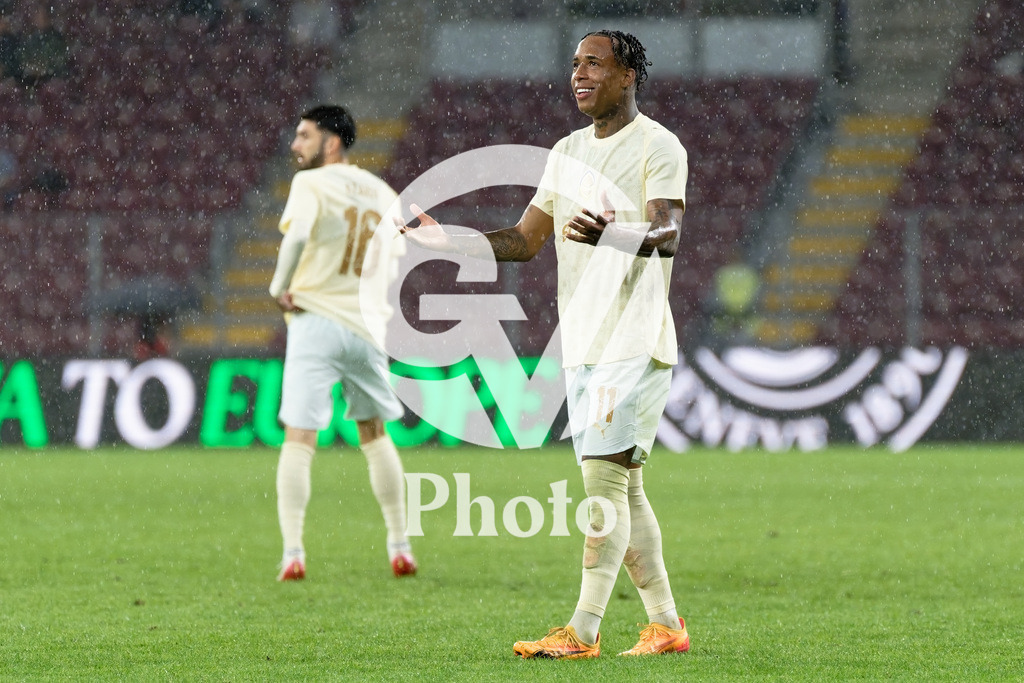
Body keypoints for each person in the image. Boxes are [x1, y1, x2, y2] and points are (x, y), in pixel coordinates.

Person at [400, 30, 688, 657]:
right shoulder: (565, 152)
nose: (580, 75)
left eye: (595, 64)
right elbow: (528, 240)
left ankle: (583, 630)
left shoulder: (658, 145)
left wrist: (615, 235)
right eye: (576, 65)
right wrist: (451, 241)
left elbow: (667, 231)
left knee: (602, 485)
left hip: (631, 339)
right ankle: (666, 625)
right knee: (625, 486)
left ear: (629, 75)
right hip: (583, 343)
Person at [270, 105, 416, 581]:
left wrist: (279, 287)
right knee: (374, 435)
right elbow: (394, 262)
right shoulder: (383, 192)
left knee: (300, 438)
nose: (296, 145)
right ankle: (400, 545)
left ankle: (293, 552)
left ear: (331, 142)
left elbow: (298, 239)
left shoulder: (310, 185)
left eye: (304, 135)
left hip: (315, 319)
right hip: (367, 328)